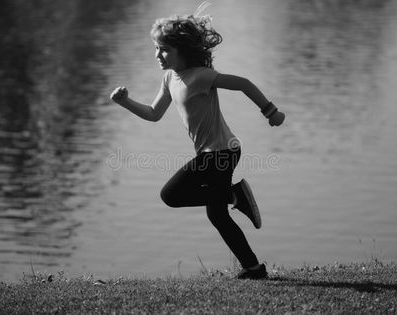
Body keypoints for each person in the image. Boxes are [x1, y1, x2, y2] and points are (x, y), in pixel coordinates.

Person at [110, 5, 285, 280]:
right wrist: (125, 102)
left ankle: (250, 257)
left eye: (164, 49)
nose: (158, 54)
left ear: (182, 50)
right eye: (156, 48)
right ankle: (239, 216)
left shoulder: (202, 76)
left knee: (195, 205)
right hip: (212, 154)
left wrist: (270, 112)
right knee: (194, 204)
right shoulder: (170, 78)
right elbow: (154, 114)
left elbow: (244, 83)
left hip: (222, 152)